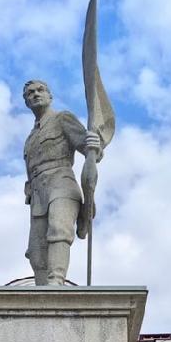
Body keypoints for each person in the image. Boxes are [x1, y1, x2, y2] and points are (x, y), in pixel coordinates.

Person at [22, 79, 101, 285]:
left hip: (62, 182)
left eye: (40, 90)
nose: (36, 94)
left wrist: (93, 144)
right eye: (30, 93)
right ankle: (43, 293)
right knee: (36, 251)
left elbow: (88, 148)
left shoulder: (62, 118)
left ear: (50, 96)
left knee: (59, 228)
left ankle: (56, 281)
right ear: (26, 102)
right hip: (38, 193)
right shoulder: (30, 139)